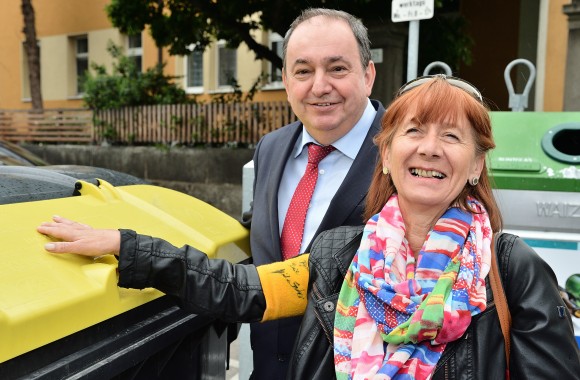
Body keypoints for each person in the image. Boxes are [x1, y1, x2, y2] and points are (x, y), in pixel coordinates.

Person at [37, 75, 580, 379]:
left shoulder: (511, 269)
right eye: (413, 131)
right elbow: (243, 289)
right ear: (386, 155)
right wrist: (127, 247)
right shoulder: (342, 255)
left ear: (477, 164)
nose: (431, 148)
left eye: (453, 137)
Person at [239, 7, 383, 378]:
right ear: (286, 81)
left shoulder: (403, 154)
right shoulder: (270, 148)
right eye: (303, 71)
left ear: (368, 75)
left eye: (337, 68)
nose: (319, 86)